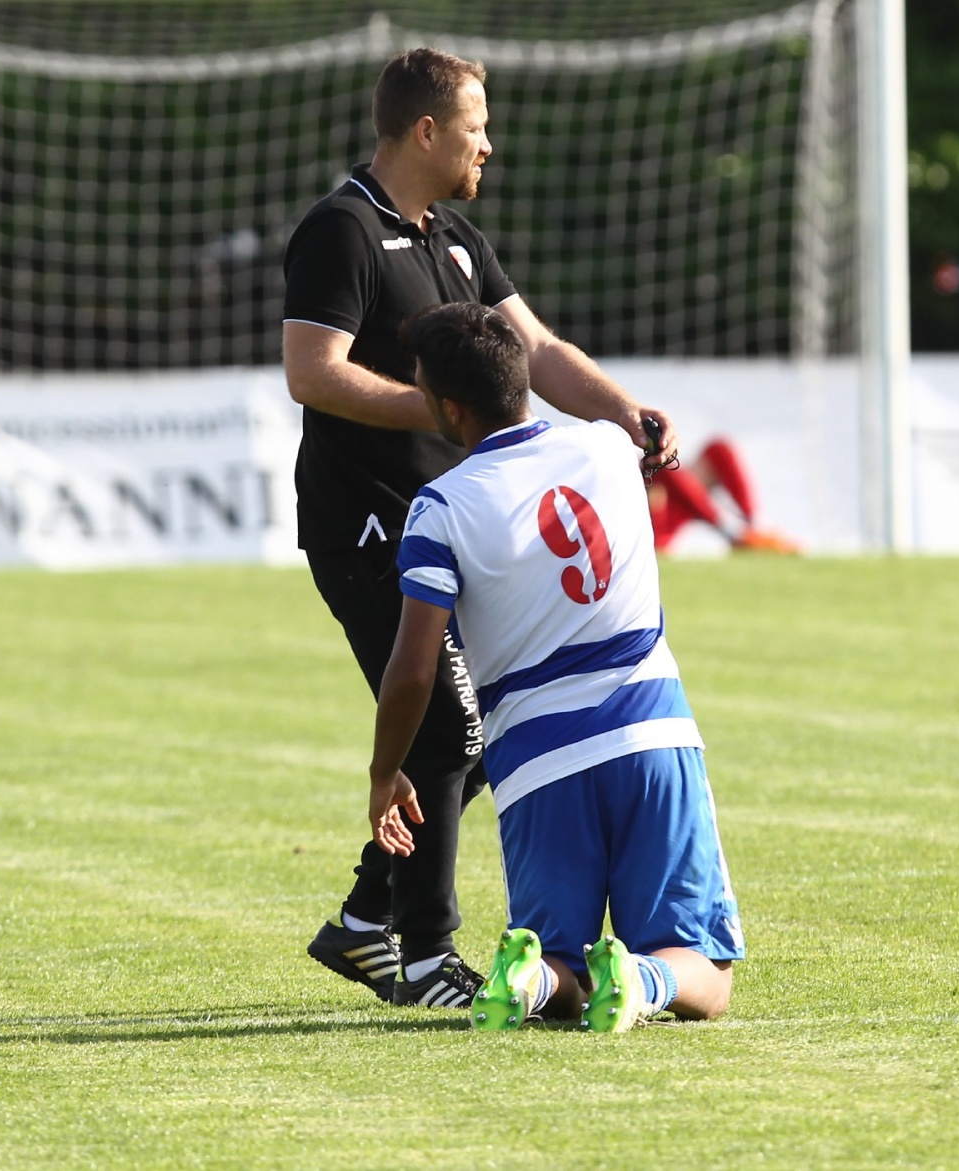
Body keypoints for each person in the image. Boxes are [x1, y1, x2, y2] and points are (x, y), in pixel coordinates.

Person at [283, 47, 679, 1009]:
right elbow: (312, 371)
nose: (487, 144)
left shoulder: (455, 239)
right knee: (454, 723)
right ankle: (425, 958)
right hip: (367, 527)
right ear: (427, 130)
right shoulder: (338, 231)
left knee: (473, 729)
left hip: (456, 525)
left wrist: (623, 412)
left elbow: (535, 349)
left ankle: (366, 920)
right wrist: (438, 407)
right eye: (475, 126)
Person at [369, 301, 743, 1032]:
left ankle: (534, 979)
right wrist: (644, 424)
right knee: (706, 971)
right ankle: (640, 975)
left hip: (535, 760)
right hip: (649, 731)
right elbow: (644, 437)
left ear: (449, 407)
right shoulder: (607, 446)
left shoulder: (439, 507)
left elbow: (414, 670)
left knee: (561, 963)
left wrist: (386, 772)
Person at [648, 439, 800, 555]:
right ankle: (753, 528)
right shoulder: (661, 475)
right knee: (665, 468)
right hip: (650, 540)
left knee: (717, 451)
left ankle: (756, 524)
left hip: (672, 520)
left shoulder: (682, 499)